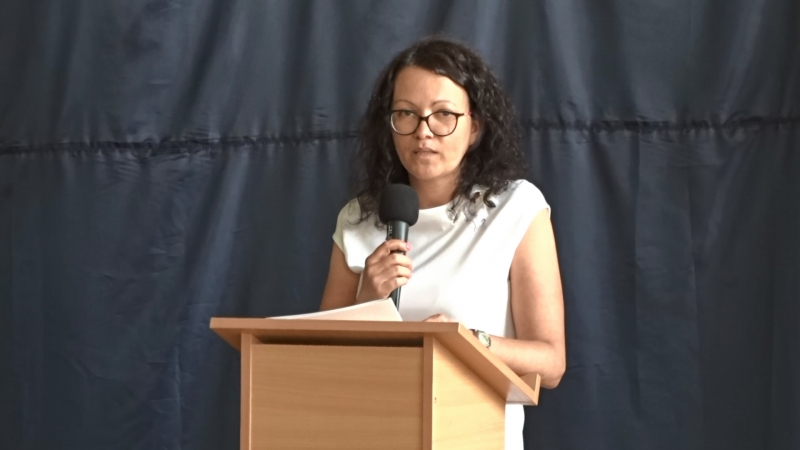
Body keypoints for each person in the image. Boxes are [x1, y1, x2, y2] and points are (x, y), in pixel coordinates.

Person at [319, 35, 565, 449]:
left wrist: (467, 340)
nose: (423, 132)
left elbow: (551, 363)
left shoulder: (516, 208)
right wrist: (366, 300)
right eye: (406, 114)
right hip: (371, 433)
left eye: (443, 115)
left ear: (475, 127)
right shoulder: (358, 219)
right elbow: (316, 356)